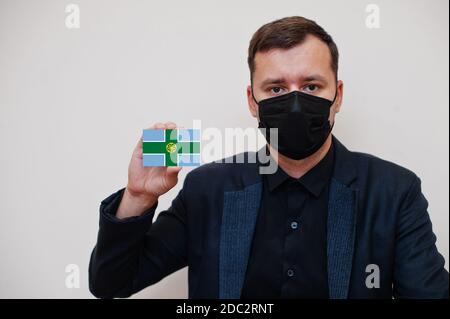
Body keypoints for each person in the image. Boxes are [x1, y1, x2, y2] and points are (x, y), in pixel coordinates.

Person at [89, 16, 449, 299]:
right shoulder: (207, 189)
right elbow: (111, 283)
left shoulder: (393, 191)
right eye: (276, 88)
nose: (294, 103)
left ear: (337, 96)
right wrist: (138, 197)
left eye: (311, 87)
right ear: (252, 100)